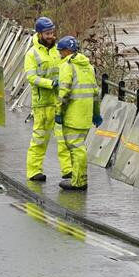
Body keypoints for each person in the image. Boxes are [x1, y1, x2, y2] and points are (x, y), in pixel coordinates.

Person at [24, 16, 72, 182]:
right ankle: (34, 171)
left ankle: (68, 170)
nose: (51, 36)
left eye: (52, 32)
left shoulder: (58, 50)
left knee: (63, 138)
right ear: (39, 34)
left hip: (58, 102)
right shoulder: (31, 54)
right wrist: (51, 84)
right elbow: (32, 78)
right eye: (47, 33)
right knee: (39, 139)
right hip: (42, 103)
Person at [55, 36, 102, 191]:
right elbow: (95, 92)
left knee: (76, 148)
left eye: (61, 52)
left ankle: (78, 181)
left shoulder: (67, 66)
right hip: (86, 114)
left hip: (72, 115)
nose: (60, 55)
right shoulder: (88, 66)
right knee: (79, 146)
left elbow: (64, 92)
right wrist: (96, 113)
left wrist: (59, 111)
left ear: (67, 51)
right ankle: (78, 177)